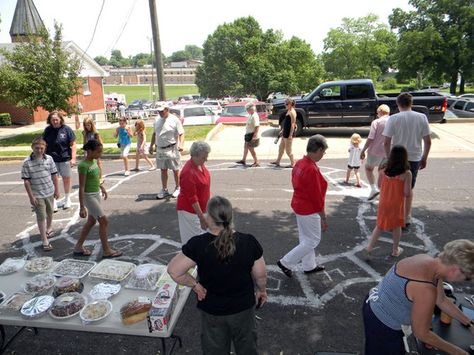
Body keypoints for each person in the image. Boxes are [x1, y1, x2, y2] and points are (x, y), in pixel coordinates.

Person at [167, 196, 268, 355]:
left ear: (208, 217)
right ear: (230, 216)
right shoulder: (248, 241)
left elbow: (174, 271)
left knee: (215, 350)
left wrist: (195, 285)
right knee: (247, 347)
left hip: (213, 312)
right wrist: (262, 290)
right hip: (242, 309)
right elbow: (260, 275)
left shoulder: (198, 244)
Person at [363, 239, 474, 355]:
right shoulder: (425, 289)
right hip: (382, 323)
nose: (464, 281)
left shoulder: (429, 262)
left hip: (373, 301)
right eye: (466, 278)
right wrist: (457, 351)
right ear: (455, 269)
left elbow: (442, 301)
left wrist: (469, 323)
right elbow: (421, 333)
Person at [277, 135, 329, 277]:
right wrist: (323, 217)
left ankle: (309, 265)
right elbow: (316, 197)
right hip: (308, 208)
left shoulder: (300, 163)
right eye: (323, 152)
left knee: (306, 238)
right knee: (312, 240)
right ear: (318, 150)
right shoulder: (311, 169)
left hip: (299, 204)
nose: (323, 155)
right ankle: (285, 262)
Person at [383, 92, 431, 228]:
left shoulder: (393, 118)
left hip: (396, 157)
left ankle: (393, 215)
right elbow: (427, 141)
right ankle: (406, 217)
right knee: (408, 189)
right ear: (411, 103)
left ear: (398, 104)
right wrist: (424, 157)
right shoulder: (421, 117)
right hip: (414, 157)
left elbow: (386, 142)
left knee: (394, 188)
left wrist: (388, 158)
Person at [75, 140, 122, 258]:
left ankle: (78, 247)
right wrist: (81, 206)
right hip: (89, 196)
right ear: (89, 151)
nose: (100, 154)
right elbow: (81, 187)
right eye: (98, 152)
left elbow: (95, 178)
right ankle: (106, 250)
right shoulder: (83, 165)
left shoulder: (93, 162)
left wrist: (101, 187)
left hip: (95, 194)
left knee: (91, 221)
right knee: (104, 221)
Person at [365, 145, 412, 258]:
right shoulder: (406, 173)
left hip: (383, 202)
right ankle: (395, 250)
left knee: (379, 225)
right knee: (397, 226)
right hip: (396, 204)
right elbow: (407, 193)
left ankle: (369, 248)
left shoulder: (383, 170)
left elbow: (379, 185)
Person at [21, 138, 60, 251]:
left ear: (45, 148)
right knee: (41, 216)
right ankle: (44, 240)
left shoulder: (49, 159)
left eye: (42, 148)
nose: (39, 150)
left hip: (49, 191)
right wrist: (31, 197)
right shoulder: (27, 162)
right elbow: (27, 181)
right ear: (32, 147)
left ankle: (49, 227)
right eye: (37, 148)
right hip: (37, 194)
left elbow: (54, 175)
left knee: (50, 211)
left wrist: (57, 190)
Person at [176, 141, 211, 244]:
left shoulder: (199, 164)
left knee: (202, 240)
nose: (206, 160)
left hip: (200, 211)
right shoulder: (188, 173)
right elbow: (192, 198)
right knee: (193, 243)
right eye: (203, 158)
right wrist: (202, 218)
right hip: (190, 212)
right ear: (194, 156)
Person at [42, 111, 76, 211]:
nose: (55, 121)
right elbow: (44, 144)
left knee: (66, 179)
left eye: (57, 119)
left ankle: (67, 199)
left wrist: (73, 158)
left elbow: (73, 144)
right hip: (51, 160)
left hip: (65, 158)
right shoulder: (47, 130)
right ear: (50, 120)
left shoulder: (67, 130)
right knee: (53, 181)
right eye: (53, 120)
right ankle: (54, 201)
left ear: (60, 119)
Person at [149, 104, 185, 199]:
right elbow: (154, 133)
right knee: (163, 169)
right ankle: (164, 189)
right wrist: (151, 145)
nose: (160, 113)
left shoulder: (174, 119)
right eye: (158, 111)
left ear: (167, 109)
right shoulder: (157, 119)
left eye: (162, 111)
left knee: (175, 169)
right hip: (160, 148)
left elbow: (181, 133)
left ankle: (178, 187)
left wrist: (181, 144)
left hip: (172, 148)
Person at [360, 104, 390, 200]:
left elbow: (371, 137)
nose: (377, 115)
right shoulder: (393, 121)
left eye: (377, 113)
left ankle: (373, 189)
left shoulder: (376, 122)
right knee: (382, 171)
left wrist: (364, 149)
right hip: (388, 151)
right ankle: (383, 193)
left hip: (375, 151)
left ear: (380, 111)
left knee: (368, 168)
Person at [270, 98, 296, 168]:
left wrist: (290, 135)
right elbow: (287, 123)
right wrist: (283, 130)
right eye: (285, 104)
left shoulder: (292, 112)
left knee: (288, 150)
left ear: (290, 104)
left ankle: (293, 163)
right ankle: (277, 161)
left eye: (287, 104)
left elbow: (293, 124)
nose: (285, 105)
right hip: (285, 132)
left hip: (288, 134)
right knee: (281, 148)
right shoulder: (289, 110)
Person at [236, 102, 260, 167]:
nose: (247, 111)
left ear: (251, 109)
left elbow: (257, 126)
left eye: (247, 109)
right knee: (246, 147)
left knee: (251, 149)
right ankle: (243, 160)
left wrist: (254, 135)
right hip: (248, 134)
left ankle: (256, 162)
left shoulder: (255, 116)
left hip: (252, 134)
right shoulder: (250, 115)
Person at [82, 116, 103, 181]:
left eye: (88, 125)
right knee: (89, 164)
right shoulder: (84, 132)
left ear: (92, 124)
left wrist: (100, 150)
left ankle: (100, 177)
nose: (87, 127)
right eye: (85, 125)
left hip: (96, 150)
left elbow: (100, 142)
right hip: (89, 150)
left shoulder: (95, 132)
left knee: (98, 163)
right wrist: (84, 151)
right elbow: (84, 142)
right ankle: (91, 177)